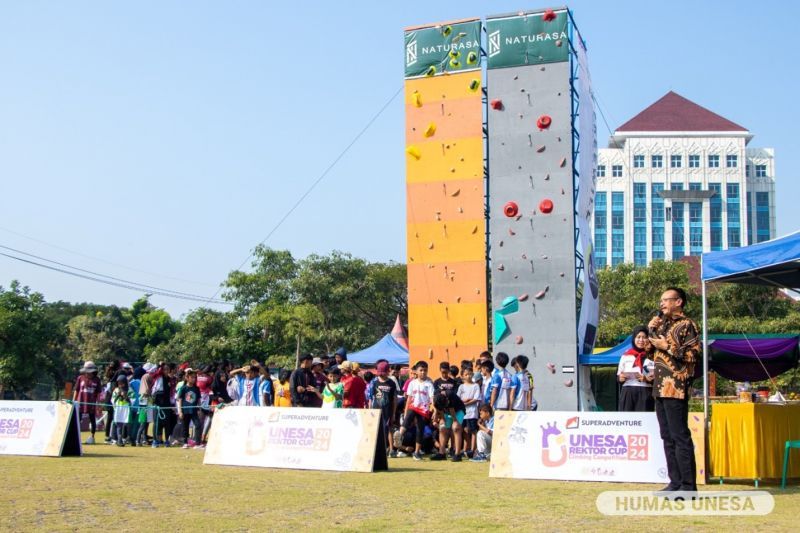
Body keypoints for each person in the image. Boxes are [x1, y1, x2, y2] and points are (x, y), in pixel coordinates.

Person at [648, 287, 700, 495]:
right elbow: (651, 354)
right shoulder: (664, 325)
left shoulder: (688, 325)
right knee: (667, 437)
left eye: (666, 300)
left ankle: (688, 486)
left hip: (676, 387)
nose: (662, 304)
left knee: (680, 437)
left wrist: (667, 346)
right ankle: (675, 483)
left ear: (678, 302)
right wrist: (652, 331)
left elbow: (693, 355)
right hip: (659, 388)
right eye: (660, 301)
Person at [399, 361, 435, 461]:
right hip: (413, 407)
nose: (423, 372)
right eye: (421, 370)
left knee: (420, 430)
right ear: (416, 371)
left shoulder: (429, 384)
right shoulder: (412, 383)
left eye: (425, 370)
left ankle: (417, 452)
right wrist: (405, 412)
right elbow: (409, 399)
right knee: (409, 416)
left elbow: (432, 398)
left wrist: (434, 409)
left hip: (423, 410)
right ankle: (399, 435)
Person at [617, 326, 655, 412]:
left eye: (644, 337)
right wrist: (621, 378)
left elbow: (657, 378)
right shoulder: (626, 355)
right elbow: (618, 376)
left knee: (644, 421)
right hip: (628, 392)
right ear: (634, 338)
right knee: (626, 421)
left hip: (645, 392)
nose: (641, 340)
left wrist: (646, 379)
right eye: (638, 337)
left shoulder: (653, 356)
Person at [370, 362, 398, 456]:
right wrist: (370, 410)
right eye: (380, 372)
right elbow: (371, 398)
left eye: (384, 372)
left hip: (388, 411)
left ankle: (391, 450)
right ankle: (375, 449)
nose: (382, 374)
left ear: (388, 371)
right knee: (376, 430)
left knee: (389, 429)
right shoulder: (374, 382)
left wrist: (393, 413)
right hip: (376, 410)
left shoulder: (391, 383)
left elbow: (394, 399)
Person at [73, 361, 102, 444]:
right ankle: (76, 437)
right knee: (78, 420)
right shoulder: (80, 378)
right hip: (80, 403)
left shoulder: (97, 380)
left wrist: (98, 404)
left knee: (92, 420)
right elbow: (76, 390)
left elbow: (98, 393)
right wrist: (73, 400)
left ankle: (92, 437)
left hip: (91, 403)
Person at [457, 367, 481, 457]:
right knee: (464, 430)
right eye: (466, 374)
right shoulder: (461, 386)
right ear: (462, 376)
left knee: (473, 430)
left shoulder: (475, 386)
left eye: (470, 374)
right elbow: (458, 399)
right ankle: (466, 448)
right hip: (463, 413)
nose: (469, 376)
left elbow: (475, 399)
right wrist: (465, 401)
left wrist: (465, 403)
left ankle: (473, 449)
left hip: (472, 412)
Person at [177, 368, 203, 449]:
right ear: (187, 378)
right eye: (192, 377)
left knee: (198, 425)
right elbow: (180, 400)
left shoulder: (196, 388)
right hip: (185, 410)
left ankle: (197, 443)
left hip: (194, 410)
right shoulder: (183, 388)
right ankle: (185, 443)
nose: (194, 379)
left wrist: (199, 409)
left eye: (195, 377)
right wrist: (180, 411)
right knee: (185, 427)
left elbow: (199, 400)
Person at [111, 375, 132, 446]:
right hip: (118, 409)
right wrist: (118, 396)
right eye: (119, 383)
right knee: (119, 425)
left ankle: (129, 438)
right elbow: (113, 400)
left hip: (126, 409)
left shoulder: (129, 390)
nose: (120, 385)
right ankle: (119, 440)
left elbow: (133, 400)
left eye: (122, 383)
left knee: (127, 424)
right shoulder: (116, 390)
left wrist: (125, 397)